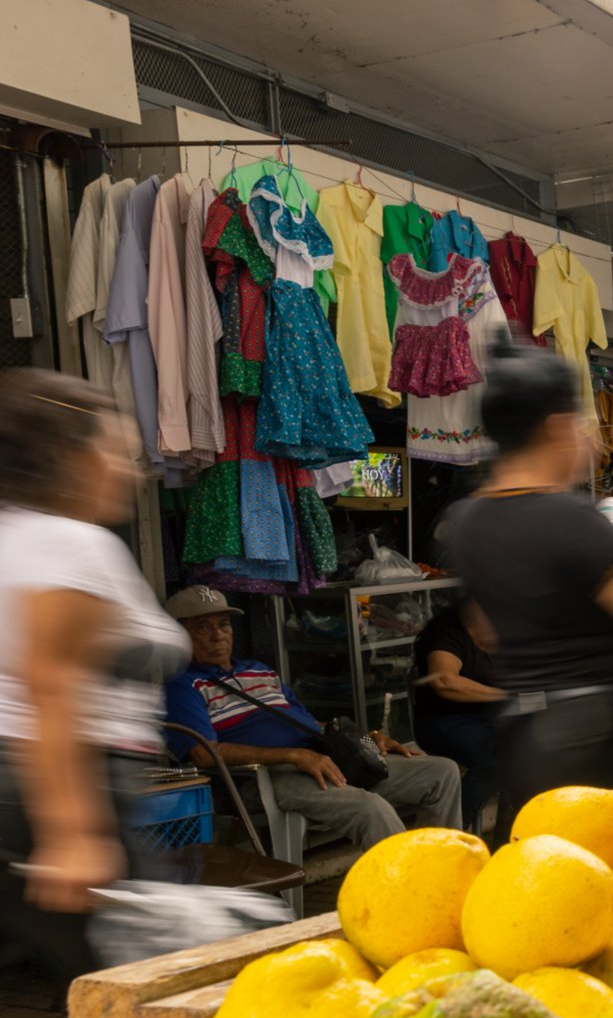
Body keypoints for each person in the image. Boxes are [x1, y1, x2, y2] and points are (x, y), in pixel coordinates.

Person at [448, 342, 613, 815]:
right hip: (611, 740)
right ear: (556, 428)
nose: (591, 441)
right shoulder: (569, 519)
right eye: (582, 425)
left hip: (528, 741)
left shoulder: (466, 522)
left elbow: (486, 631)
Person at [0, 370, 189, 983]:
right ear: (66, 456)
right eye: (116, 451)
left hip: (35, 787)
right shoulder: (70, 546)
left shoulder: (17, 537)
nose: (132, 472)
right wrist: (73, 832)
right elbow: (52, 688)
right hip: (69, 786)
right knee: (151, 983)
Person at [163, 587, 462, 851]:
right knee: (371, 809)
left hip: (323, 760)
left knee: (442, 772)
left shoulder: (259, 670)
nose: (218, 635)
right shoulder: (181, 686)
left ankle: (442, 871)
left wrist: (367, 738)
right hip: (266, 777)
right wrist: (294, 756)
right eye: (203, 627)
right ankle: (406, 901)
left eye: (224, 624)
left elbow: (308, 724)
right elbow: (204, 753)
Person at [411, 600, 505, 845]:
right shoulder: (448, 632)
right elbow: (444, 681)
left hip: (492, 718)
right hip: (444, 720)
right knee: (493, 762)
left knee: (531, 755)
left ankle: (511, 842)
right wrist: (504, 696)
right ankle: (446, 839)